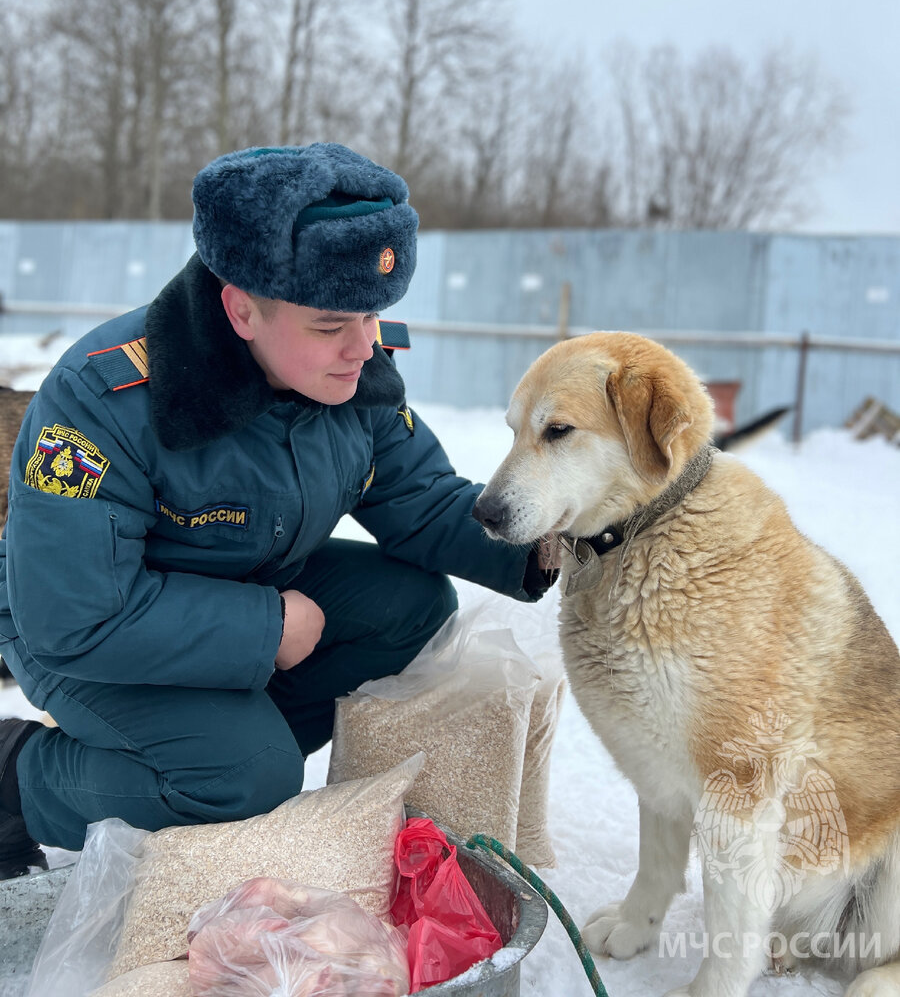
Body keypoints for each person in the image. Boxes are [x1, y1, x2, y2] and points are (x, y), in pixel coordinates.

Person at [0, 143, 555, 880]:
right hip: (81, 624)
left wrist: (548, 539)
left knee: (409, 606)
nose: (363, 346)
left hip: (235, 590)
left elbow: (417, 497)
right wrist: (265, 629)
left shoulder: (348, 374)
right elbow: (75, 617)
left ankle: (220, 756)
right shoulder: (104, 401)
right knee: (243, 778)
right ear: (241, 310)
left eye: (374, 315)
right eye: (331, 325)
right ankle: (21, 781)